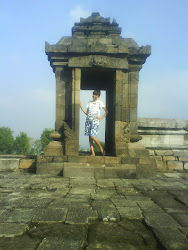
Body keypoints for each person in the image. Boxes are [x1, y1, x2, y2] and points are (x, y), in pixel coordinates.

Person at [80, 90, 109, 156]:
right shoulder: (89, 102)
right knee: (90, 137)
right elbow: (87, 113)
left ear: (98, 96)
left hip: (95, 121)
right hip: (88, 121)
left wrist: (100, 118)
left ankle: (101, 148)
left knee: (93, 136)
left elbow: (106, 111)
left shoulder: (100, 103)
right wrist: (81, 107)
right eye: (93, 94)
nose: (94, 96)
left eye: (96, 95)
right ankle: (93, 152)